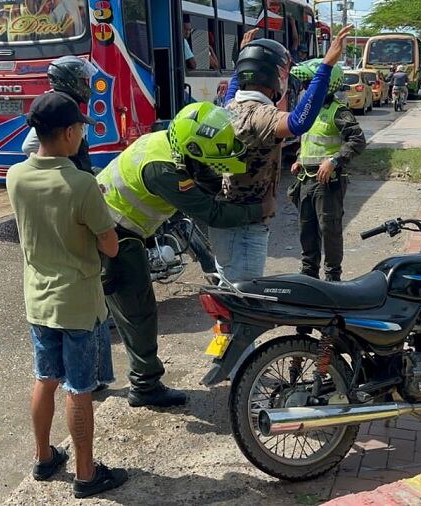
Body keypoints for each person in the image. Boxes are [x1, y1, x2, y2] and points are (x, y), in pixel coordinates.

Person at [97, 102, 276, 408]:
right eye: (205, 162)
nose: (211, 169)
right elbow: (212, 213)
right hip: (114, 236)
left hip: (114, 228)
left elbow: (202, 180)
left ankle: (95, 378)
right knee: (138, 312)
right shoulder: (164, 171)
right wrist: (259, 209)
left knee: (100, 311)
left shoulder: (167, 143)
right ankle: (144, 386)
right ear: (190, 152)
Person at [7, 92, 127, 499]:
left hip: (37, 300)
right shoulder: (81, 184)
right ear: (70, 132)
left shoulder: (15, 177)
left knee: (45, 378)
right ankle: (86, 474)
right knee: (79, 387)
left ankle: (43, 458)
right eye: (79, 129)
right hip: (77, 303)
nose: (81, 136)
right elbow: (110, 246)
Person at [211, 24, 353, 283]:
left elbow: (234, 86)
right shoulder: (259, 115)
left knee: (229, 288)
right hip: (246, 223)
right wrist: (326, 66)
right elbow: (299, 122)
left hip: (226, 218)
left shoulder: (229, 106)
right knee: (245, 300)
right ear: (276, 77)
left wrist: (243, 58)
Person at [288, 61, 367, 281]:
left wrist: (334, 160)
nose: (305, 89)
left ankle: (333, 278)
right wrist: (298, 159)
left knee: (329, 229)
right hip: (305, 179)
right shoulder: (307, 111)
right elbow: (309, 141)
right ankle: (309, 275)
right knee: (307, 229)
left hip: (328, 182)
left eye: (309, 84)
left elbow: (358, 140)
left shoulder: (338, 112)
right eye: (305, 84)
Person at [22, 56, 98, 174]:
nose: (86, 85)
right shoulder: (57, 106)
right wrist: (64, 169)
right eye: (83, 80)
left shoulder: (67, 102)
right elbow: (29, 146)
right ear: (70, 80)